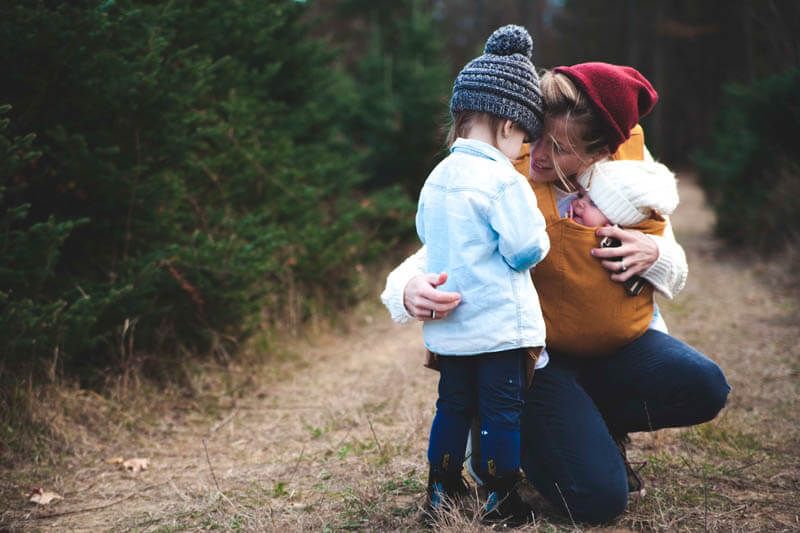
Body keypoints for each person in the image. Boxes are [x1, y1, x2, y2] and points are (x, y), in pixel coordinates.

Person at [381, 62, 731, 524]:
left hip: (613, 349)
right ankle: (519, 429)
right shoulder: (507, 173)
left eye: (560, 148)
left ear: (600, 152)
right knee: (598, 501)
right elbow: (442, 247)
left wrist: (655, 254)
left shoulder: (628, 182)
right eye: (537, 136)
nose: (538, 153)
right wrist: (405, 289)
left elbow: (675, 265)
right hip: (535, 362)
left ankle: (591, 425)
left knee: (705, 386)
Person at [415, 24, 549, 522]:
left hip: (450, 329)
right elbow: (523, 250)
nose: (524, 151)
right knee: (499, 414)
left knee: (451, 406)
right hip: (498, 328)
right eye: (526, 138)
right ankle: (500, 495)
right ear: (509, 126)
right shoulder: (502, 179)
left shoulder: (437, 176)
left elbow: (427, 235)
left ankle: (441, 489)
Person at [539, 158, 679, 358]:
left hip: (631, 337)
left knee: (705, 378)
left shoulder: (634, 228)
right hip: (560, 344)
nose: (578, 203)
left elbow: (677, 270)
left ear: (617, 222)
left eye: (593, 204)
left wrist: (657, 254)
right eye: (580, 195)